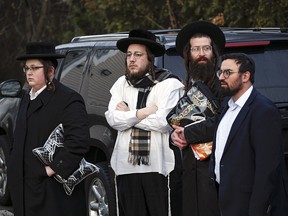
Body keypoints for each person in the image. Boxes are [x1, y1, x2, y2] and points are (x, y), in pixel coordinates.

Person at [105, 29, 184, 216]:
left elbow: (164, 122)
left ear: (150, 58)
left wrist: (129, 116)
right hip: (125, 167)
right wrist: (143, 112)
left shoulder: (169, 84)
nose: (131, 59)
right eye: (129, 55)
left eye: (138, 55)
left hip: (159, 169)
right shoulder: (120, 84)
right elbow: (112, 118)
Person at [8, 42, 90, 216]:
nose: (29, 72)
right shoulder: (26, 98)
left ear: (50, 71)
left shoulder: (69, 100)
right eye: (26, 68)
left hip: (51, 191)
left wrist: (52, 169)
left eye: (34, 68)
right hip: (24, 190)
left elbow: (79, 141)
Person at [209, 53, 288, 216]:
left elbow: (267, 170)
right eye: (220, 72)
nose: (221, 77)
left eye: (228, 73)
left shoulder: (263, 110)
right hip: (225, 200)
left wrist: (257, 210)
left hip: (250, 204)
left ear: (245, 76)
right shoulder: (226, 106)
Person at [168, 21, 225, 216]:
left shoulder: (223, 87)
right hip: (188, 174)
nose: (201, 53)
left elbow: (223, 122)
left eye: (206, 48)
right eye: (196, 49)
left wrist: (187, 133)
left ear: (214, 53)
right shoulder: (186, 87)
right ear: (188, 55)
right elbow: (178, 122)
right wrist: (173, 137)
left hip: (215, 173)